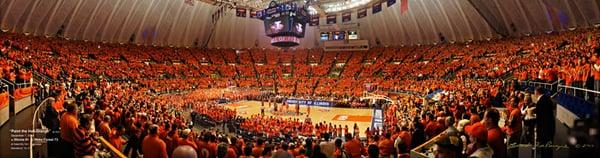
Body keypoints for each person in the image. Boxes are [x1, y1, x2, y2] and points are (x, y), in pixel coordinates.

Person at [533, 87, 555, 158]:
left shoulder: (541, 101)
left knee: (546, 148)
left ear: (537, 92)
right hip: (549, 127)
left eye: (534, 92)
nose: (534, 94)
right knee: (548, 148)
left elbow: (541, 115)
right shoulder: (546, 98)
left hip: (545, 129)